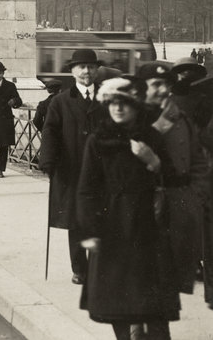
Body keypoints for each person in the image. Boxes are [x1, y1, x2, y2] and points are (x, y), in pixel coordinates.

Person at [77, 76, 180, 339]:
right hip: (112, 228)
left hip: (148, 227)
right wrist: (90, 231)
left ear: (136, 105)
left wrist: (153, 160)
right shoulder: (98, 140)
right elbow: (87, 190)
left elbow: (174, 178)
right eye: (113, 103)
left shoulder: (151, 137)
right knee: (118, 305)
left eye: (124, 103)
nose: (118, 108)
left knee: (152, 306)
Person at [138, 61, 208, 297]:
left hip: (179, 205)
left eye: (167, 85)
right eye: (156, 84)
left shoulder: (181, 118)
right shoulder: (129, 118)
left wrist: (195, 196)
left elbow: (197, 161)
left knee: (172, 281)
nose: (163, 90)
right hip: (143, 206)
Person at [39, 48, 107, 285]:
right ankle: (80, 269)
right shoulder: (60, 101)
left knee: (101, 219)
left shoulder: (107, 98)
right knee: (76, 221)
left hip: (102, 172)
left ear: (97, 70)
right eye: (81, 67)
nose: (86, 71)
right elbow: (50, 132)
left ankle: (99, 268)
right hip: (73, 170)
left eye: (91, 67)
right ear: (73, 71)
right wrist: (48, 161)